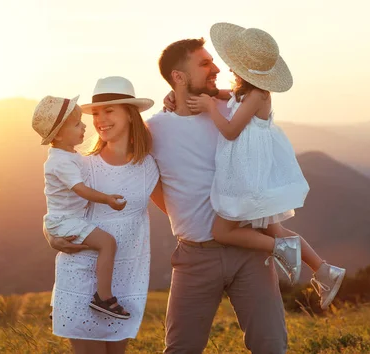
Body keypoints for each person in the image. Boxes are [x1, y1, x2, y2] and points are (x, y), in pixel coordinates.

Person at [166, 23, 345, 310]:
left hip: (246, 176)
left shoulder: (257, 95)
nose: (226, 68)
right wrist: (179, 96)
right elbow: (218, 95)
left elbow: (230, 131)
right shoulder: (243, 92)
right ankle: (325, 271)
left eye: (231, 63)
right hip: (249, 172)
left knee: (225, 231)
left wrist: (211, 108)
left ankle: (282, 251)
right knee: (274, 227)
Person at [147, 36, 288, 353]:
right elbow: (149, 184)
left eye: (212, 61)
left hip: (250, 250)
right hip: (195, 256)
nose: (215, 68)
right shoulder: (155, 129)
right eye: (204, 63)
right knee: (182, 348)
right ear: (178, 78)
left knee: (271, 346)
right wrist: (185, 218)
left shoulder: (233, 108)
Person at [42, 76, 160, 354]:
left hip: (127, 278)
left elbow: (175, 209)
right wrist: (48, 234)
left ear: (130, 115)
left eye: (109, 110)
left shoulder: (149, 166)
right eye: (96, 113)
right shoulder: (83, 167)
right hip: (83, 278)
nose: (100, 119)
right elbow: (57, 208)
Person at [32, 95, 131, 319]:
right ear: (58, 134)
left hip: (65, 219)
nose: (84, 125)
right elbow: (81, 189)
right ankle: (104, 298)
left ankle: (62, 302)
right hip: (65, 221)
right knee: (107, 243)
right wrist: (107, 199)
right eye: (77, 124)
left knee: (82, 257)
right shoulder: (61, 162)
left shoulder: (68, 156)